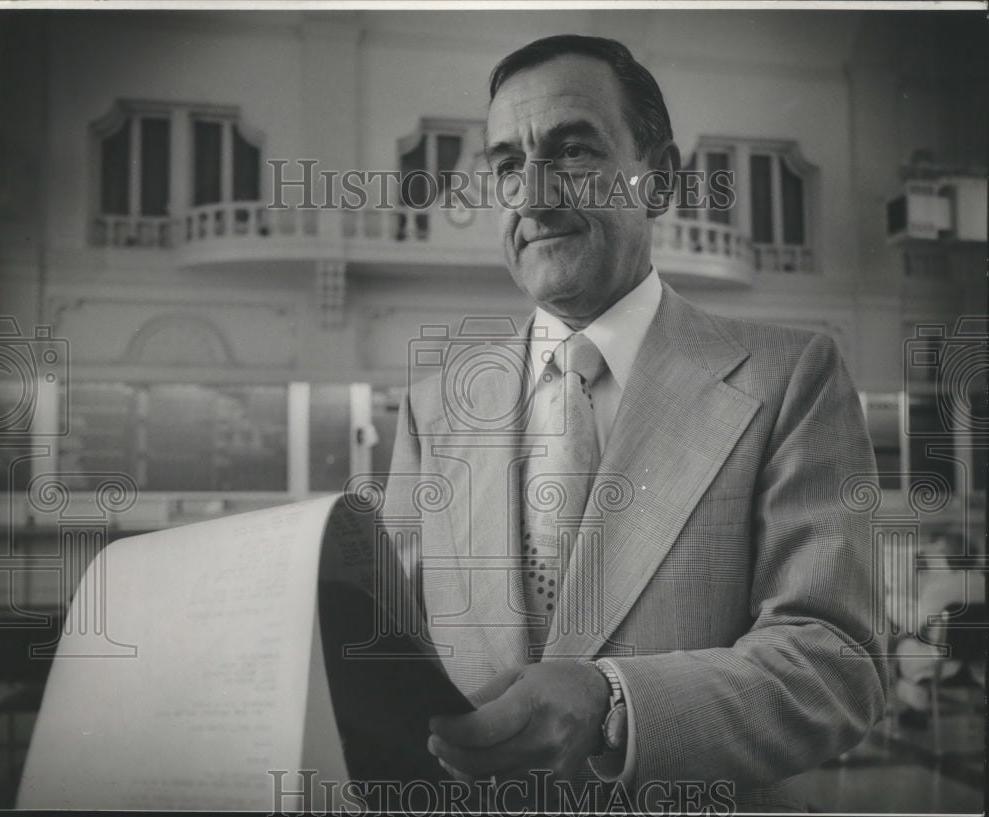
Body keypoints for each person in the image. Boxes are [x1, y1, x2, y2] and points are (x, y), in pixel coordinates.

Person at [380, 34, 888, 812]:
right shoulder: (432, 409)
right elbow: (389, 656)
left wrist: (612, 701)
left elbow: (836, 660)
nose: (533, 195)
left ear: (661, 179)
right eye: (508, 165)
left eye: (573, 151)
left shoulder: (792, 379)